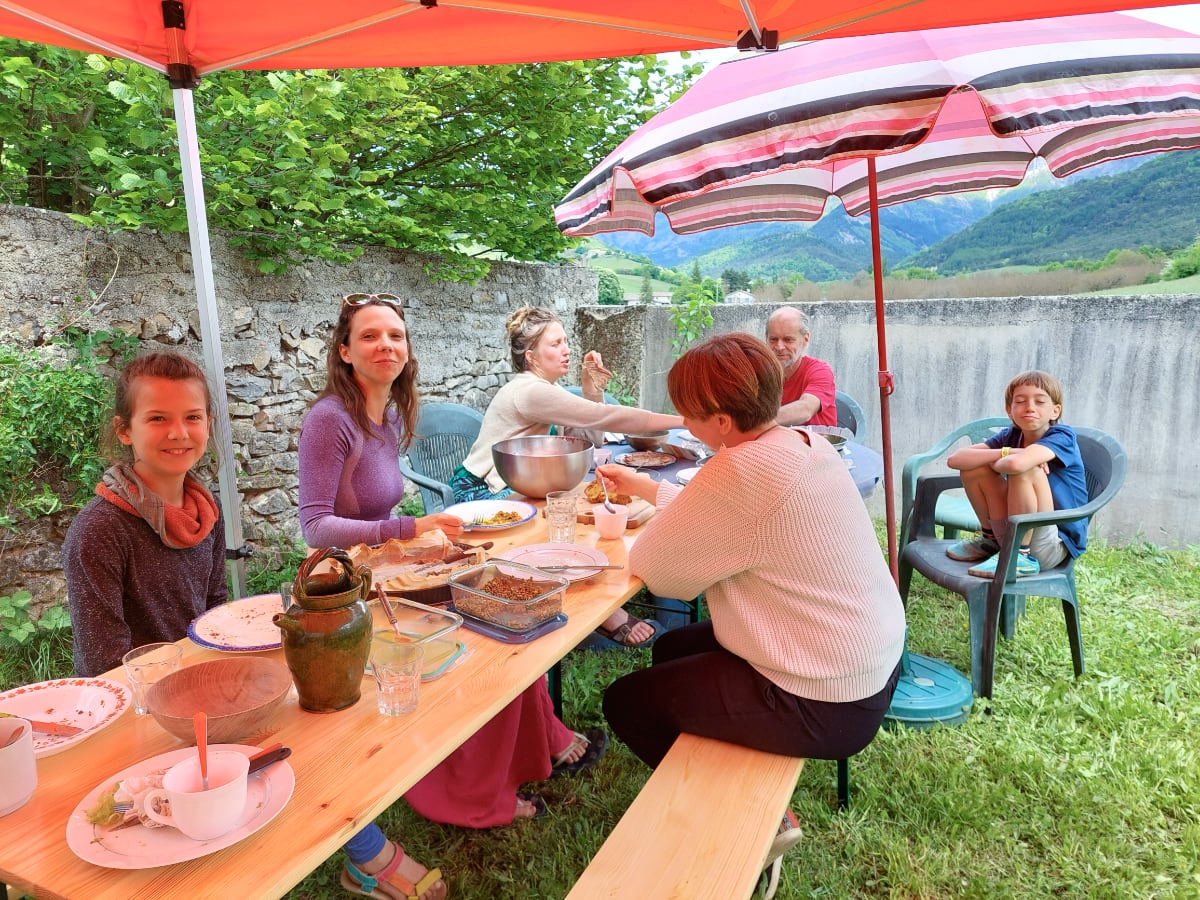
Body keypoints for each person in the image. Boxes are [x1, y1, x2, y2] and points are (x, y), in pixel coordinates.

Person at [62, 350, 445, 900]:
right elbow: (104, 666)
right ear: (124, 431)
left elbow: (214, 612)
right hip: (142, 713)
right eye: (158, 419)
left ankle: (350, 845)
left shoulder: (204, 509)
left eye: (193, 417)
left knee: (317, 715)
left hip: (206, 682)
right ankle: (365, 855)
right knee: (287, 737)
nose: (179, 432)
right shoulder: (99, 531)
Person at [299, 294, 606, 832]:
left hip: (391, 567)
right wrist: (410, 528)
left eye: (396, 335)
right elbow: (315, 528)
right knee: (485, 644)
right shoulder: (330, 420)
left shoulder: (389, 412)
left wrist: (422, 544)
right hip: (346, 588)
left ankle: (542, 744)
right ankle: (473, 795)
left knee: (511, 617)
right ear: (344, 351)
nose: (385, 345)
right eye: (369, 336)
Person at [595, 333, 905, 854]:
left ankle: (749, 818)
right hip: (864, 657)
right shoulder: (799, 443)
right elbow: (729, 512)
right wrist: (644, 485)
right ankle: (728, 762)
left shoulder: (737, 470)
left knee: (627, 703)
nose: (683, 423)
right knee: (671, 648)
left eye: (687, 413)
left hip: (827, 698)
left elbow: (659, 572)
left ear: (720, 421)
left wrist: (640, 511)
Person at [453, 305, 683, 647]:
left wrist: (590, 387)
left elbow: (588, 441)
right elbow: (609, 418)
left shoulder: (544, 389)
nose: (567, 350)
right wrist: (684, 421)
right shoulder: (530, 391)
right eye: (556, 344)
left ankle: (595, 595)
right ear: (531, 355)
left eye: (565, 342)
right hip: (480, 493)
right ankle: (601, 611)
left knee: (572, 511)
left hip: (518, 480)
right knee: (561, 517)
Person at [945, 370, 1088, 579]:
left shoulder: (1062, 436)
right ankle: (991, 539)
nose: (1029, 407)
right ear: (1009, 411)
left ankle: (1020, 555)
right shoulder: (1012, 436)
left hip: (1051, 545)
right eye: (1020, 401)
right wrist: (1010, 451)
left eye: (1040, 402)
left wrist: (1013, 459)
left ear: (1055, 411)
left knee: (1025, 468)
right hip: (1009, 534)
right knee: (975, 469)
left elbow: (1016, 464)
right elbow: (956, 459)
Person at [765, 306, 837, 427]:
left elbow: (806, 409)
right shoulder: (759, 373)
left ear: (805, 339)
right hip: (775, 444)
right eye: (773, 339)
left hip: (815, 444)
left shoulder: (820, 370)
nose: (779, 347)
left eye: (788, 340)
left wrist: (755, 422)